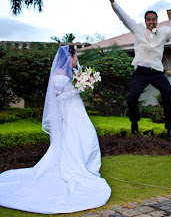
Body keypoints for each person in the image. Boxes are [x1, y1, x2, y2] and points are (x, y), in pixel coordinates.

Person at [0, 45, 111, 214]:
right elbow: (58, 97)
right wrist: (77, 89)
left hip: (76, 109)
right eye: (75, 57)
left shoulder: (70, 73)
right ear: (69, 57)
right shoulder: (60, 74)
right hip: (70, 112)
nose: (77, 60)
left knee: (87, 135)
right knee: (78, 136)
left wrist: (82, 85)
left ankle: (88, 165)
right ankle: (79, 167)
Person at [107, 0, 171, 139]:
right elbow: (124, 18)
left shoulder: (163, 31)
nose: (151, 22)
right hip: (141, 71)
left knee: (168, 95)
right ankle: (135, 123)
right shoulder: (138, 29)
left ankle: (170, 128)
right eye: (148, 20)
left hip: (156, 71)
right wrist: (114, 3)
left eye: (153, 19)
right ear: (145, 21)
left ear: (157, 21)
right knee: (132, 98)